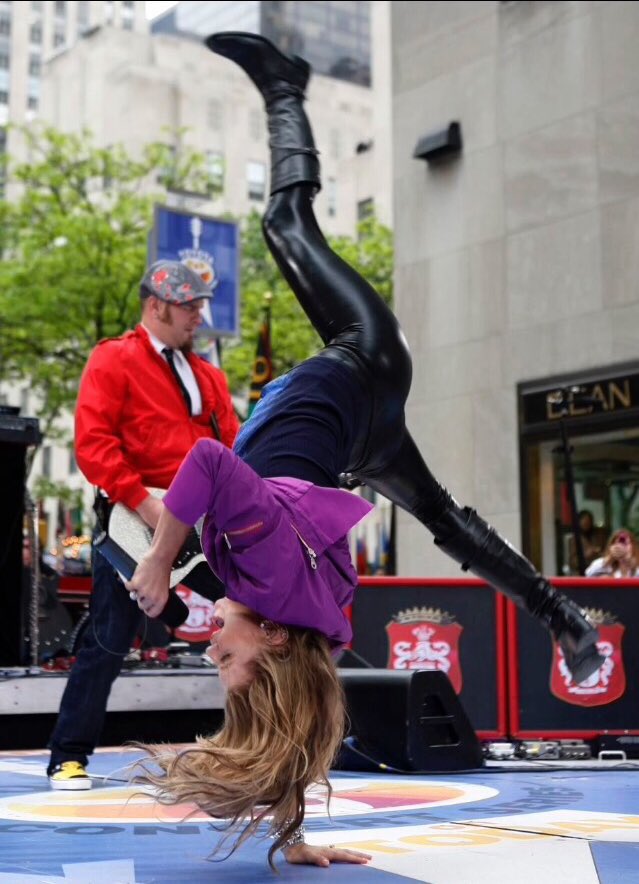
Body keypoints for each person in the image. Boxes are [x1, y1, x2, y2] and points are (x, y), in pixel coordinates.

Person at [128, 32, 605, 869]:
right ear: (269, 641)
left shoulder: (310, 624)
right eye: (226, 658)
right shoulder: (261, 579)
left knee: (445, 521)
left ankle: (560, 617)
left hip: (362, 436)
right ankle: (284, 88)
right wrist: (162, 560)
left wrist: (295, 832)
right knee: (282, 222)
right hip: (359, 356)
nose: (210, 650)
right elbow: (205, 466)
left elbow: (295, 711)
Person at [46, 260, 239, 790]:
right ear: (156, 305)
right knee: (109, 641)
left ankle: (270, 742)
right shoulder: (114, 358)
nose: (199, 315)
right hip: (137, 519)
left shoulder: (208, 374)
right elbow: (94, 446)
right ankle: (68, 754)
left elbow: (231, 450)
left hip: (201, 524)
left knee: (263, 611)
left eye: (202, 304)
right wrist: (148, 506)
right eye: (189, 305)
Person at [568, 508, 606, 573]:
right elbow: (573, 563)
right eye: (585, 522)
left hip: (598, 572)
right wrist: (586, 555)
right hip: (582, 573)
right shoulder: (574, 540)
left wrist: (599, 553)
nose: (587, 524)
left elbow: (605, 553)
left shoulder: (598, 537)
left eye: (589, 522)